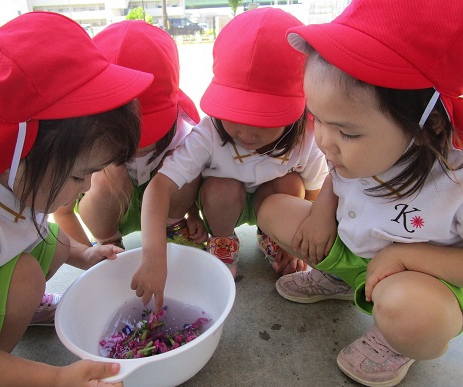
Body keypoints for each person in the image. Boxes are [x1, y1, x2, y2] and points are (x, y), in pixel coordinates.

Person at [257, 0, 463, 385]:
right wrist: (321, 211)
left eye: (347, 132)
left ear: (429, 124)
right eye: (317, 119)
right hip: (354, 252)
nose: (323, 144)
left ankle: (396, 340)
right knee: (272, 210)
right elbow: (339, 176)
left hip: (417, 281)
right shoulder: (354, 147)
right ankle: (338, 281)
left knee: (417, 314)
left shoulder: (455, 178)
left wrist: (405, 255)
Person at [0, 12, 154, 386]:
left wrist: (85, 254)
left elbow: (38, 228)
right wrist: (55, 379)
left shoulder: (19, 178)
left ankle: (16, 311)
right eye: (79, 175)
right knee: (26, 278)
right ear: (17, 149)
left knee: (56, 239)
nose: (88, 187)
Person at [132, 8, 328, 312]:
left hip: (273, 204)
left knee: (291, 183)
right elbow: (159, 187)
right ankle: (223, 241)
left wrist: (295, 239)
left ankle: (273, 239)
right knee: (220, 187)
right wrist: (153, 256)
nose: (246, 132)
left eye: (264, 117)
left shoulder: (306, 137)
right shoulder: (209, 132)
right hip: (221, 205)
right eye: (235, 113)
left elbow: (316, 192)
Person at [53, 20, 207, 252]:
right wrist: (88, 257)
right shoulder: (79, 138)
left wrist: (193, 212)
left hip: (167, 206)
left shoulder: (184, 126)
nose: (137, 146)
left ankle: (171, 227)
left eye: (148, 132)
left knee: (184, 159)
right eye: (121, 137)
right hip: (113, 208)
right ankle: (109, 240)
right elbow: (62, 213)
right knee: (108, 173)